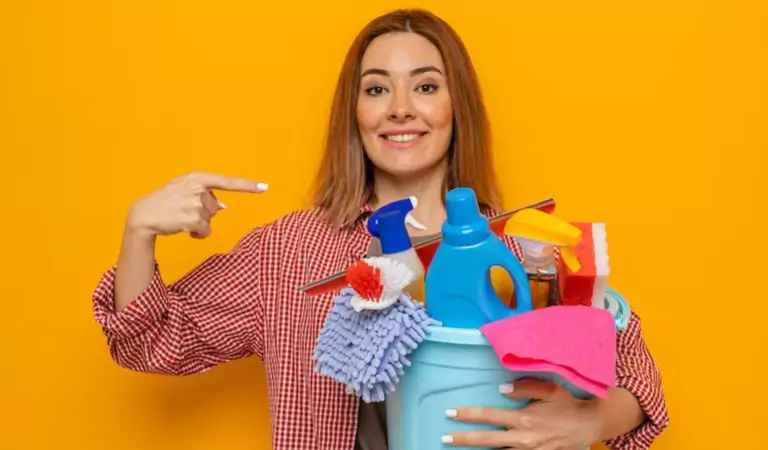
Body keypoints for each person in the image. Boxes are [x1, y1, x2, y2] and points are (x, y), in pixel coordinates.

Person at [92, 8, 669, 450]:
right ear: (356, 114)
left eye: (424, 85)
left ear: (455, 106)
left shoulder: (524, 247)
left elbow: (639, 381)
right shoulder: (292, 251)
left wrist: (592, 419)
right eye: (376, 88)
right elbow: (151, 342)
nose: (399, 108)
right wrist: (139, 230)